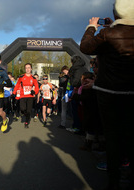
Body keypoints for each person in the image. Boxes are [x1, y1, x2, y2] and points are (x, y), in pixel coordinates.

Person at [80, 1, 134, 189]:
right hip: (131, 93)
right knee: (130, 134)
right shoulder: (112, 31)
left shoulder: (107, 34)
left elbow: (86, 47)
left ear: (117, 11)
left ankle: (113, 181)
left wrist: (91, 27)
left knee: (112, 136)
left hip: (108, 92)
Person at [13, 63, 39, 128]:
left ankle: (26, 122)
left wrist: (34, 92)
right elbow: (17, 85)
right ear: (25, 69)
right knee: (22, 108)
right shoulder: (21, 77)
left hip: (30, 96)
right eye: (26, 68)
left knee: (29, 110)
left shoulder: (33, 78)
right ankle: (25, 114)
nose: (27, 69)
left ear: (31, 69)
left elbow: (37, 87)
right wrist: (14, 93)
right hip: (23, 96)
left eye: (29, 68)